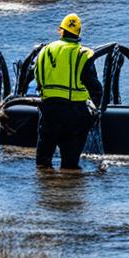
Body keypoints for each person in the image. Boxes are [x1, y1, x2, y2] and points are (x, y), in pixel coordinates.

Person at [34, 13, 104, 170]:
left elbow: (37, 76)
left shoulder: (45, 51)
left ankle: (46, 192)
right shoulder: (83, 54)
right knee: (70, 164)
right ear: (78, 34)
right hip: (75, 113)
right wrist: (97, 109)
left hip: (49, 111)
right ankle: (69, 190)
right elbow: (94, 87)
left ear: (60, 30)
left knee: (43, 163)